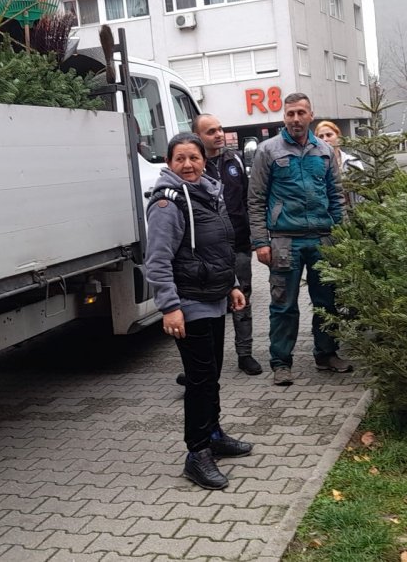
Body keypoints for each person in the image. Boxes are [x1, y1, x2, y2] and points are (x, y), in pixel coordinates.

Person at [145, 132, 253, 490]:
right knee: (199, 379)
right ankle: (197, 453)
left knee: (212, 375)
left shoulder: (210, 193)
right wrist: (170, 307)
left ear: (204, 160)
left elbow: (222, 248)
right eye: (180, 159)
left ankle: (214, 433)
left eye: (194, 157)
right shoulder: (168, 203)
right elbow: (157, 261)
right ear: (169, 163)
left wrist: (234, 284)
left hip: (214, 297)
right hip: (189, 303)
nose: (188, 165)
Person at [247, 93, 353, 386]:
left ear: (311, 115)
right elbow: (255, 200)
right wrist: (260, 241)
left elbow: (336, 197)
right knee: (283, 305)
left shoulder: (324, 151)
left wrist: (340, 236)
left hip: (322, 239)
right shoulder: (268, 151)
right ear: (284, 117)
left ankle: (327, 354)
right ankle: (281, 363)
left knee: (326, 302)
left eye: (301, 113)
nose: (295, 119)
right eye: (290, 113)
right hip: (284, 240)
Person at [195, 113, 262, 375]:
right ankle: (207, 360)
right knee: (209, 305)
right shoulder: (195, 166)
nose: (219, 134)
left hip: (239, 244)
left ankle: (245, 354)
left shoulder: (233, 159)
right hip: (209, 249)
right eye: (211, 131)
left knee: (242, 299)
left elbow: (248, 199)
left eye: (220, 129)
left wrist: (255, 237)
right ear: (199, 137)